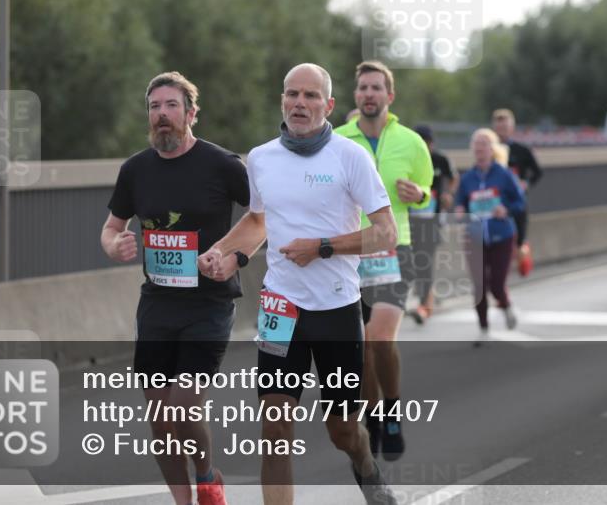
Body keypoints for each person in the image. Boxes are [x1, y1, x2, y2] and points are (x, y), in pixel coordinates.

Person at [200, 63, 398, 505]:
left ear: (328, 105)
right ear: (282, 101)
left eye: (311, 96)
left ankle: (366, 467)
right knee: (274, 429)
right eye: (292, 94)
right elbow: (258, 221)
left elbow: (386, 233)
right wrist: (223, 252)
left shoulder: (350, 157)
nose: (300, 103)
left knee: (342, 430)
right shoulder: (261, 158)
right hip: (280, 308)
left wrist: (323, 247)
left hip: (336, 310)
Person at [101, 71, 249, 505]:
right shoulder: (135, 170)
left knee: (184, 405)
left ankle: (206, 475)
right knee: (160, 417)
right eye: (155, 107)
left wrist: (233, 257)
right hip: (157, 304)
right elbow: (111, 227)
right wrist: (114, 245)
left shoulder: (222, 165)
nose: (162, 114)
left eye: (171, 106)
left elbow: (263, 217)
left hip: (209, 303)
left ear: (191, 113)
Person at [334, 61, 433, 461]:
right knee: (360, 349)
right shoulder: (338, 140)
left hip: (395, 248)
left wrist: (420, 194)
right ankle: (373, 417)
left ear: (389, 96)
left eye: (376, 87)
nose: (369, 94)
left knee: (379, 338)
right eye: (363, 88)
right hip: (351, 251)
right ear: (355, 95)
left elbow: (427, 187)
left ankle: (391, 410)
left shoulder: (412, 142)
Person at [454, 129, 525, 345]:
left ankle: (506, 305)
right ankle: (483, 329)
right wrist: (459, 210)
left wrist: (506, 209)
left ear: (492, 149)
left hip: (501, 235)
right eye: (475, 144)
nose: (479, 148)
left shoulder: (504, 174)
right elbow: (460, 202)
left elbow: (520, 202)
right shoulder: (467, 178)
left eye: (483, 143)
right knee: (478, 286)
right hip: (475, 237)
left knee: (496, 284)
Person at [408, 125, 457, 324]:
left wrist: (448, 194)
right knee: (410, 263)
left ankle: (423, 305)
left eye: (427, 142)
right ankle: (426, 298)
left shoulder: (440, 159)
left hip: (432, 221)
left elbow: (453, 178)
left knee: (425, 262)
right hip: (409, 221)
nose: (424, 146)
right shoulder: (407, 160)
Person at [491, 108, 543, 276]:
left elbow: (537, 172)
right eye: (499, 127)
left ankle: (522, 256)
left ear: (512, 128)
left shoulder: (522, 150)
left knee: (519, 241)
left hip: (516, 203)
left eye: (505, 127)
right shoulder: (489, 151)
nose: (502, 131)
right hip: (496, 204)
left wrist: (525, 183)